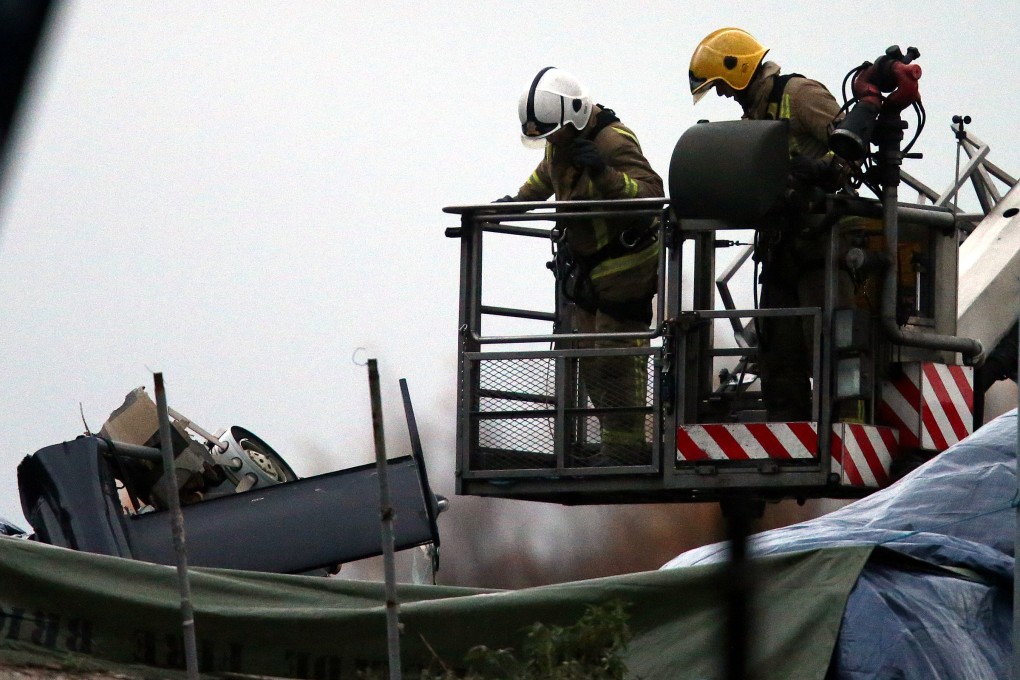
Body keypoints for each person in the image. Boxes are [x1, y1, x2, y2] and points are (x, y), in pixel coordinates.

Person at [501, 66, 664, 465]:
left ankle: (626, 450)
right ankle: (617, 445)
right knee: (591, 359)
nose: (550, 141)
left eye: (553, 132)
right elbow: (546, 175)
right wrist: (515, 202)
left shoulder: (612, 141)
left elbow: (651, 196)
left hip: (625, 268)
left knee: (616, 357)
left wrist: (603, 173)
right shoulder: (561, 143)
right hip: (589, 272)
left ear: (572, 114)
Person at [689, 28, 853, 422]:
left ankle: (841, 426)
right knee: (778, 351)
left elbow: (852, 144)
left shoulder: (800, 94)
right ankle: (790, 434)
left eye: (723, 85)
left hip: (822, 243)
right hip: (782, 247)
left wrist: (823, 169)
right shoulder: (753, 116)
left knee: (827, 343)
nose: (725, 95)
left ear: (740, 70)